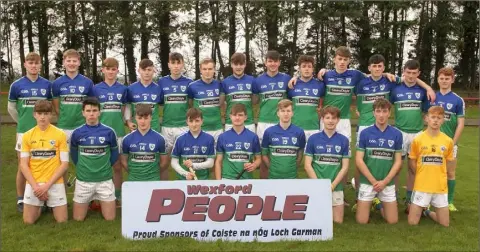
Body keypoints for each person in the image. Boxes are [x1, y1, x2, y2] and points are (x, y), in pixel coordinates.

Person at [8, 52, 52, 213]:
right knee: (23, 166)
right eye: (30, 63)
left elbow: (50, 107)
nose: (33, 66)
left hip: (44, 132)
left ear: (40, 65)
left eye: (36, 63)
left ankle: (45, 197)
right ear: (25, 65)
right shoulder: (17, 85)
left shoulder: (47, 85)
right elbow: (11, 108)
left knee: (45, 164)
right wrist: (22, 122)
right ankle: (21, 199)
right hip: (24, 132)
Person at [390, 59, 430, 213]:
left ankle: (410, 199)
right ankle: (392, 197)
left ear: (418, 74)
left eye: (414, 73)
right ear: (403, 72)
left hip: (417, 133)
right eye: (408, 72)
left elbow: (427, 113)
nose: (411, 76)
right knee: (396, 167)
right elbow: (386, 106)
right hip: (399, 132)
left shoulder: (422, 92)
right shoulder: (395, 89)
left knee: (414, 168)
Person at [19, 100, 69, 224]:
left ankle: (45, 202)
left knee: (62, 221)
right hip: (34, 183)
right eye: (39, 113)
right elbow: (23, 165)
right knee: (28, 222)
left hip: (54, 182)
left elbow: (65, 164)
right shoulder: (26, 136)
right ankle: (41, 205)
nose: (42, 117)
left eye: (46, 113)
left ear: (51, 115)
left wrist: (46, 186)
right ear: (34, 114)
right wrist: (36, 187)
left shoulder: (60, 134)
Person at [52, 49, 95, 190]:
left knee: (85, 160)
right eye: (68, 61)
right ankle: (61, 194)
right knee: (61, 162)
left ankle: (86, 193)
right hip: (63, 127)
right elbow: (57, 107)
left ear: (79, 63)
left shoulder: (87, 82)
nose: (71, 63)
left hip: (83, 127)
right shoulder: (57, 83)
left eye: (74, 61)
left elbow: (90, 106)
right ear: (64, 62)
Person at [70, 97, 119, 221]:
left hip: (105, 180)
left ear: (99, 112)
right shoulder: (77, 133)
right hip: (84, 181)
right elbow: (74, 155)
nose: (91, 113)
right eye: (88, 110)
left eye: (94, 110)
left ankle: (100, 201)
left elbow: (114, 154)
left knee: (110, 218)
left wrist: (106, 167)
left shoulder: (109, 132)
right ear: (83, 112)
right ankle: (90, 202)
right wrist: (82, 167)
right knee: (78, 219)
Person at [355, 98, 403, 224]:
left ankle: (379, 205)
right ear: (374, 113)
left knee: (392, 221)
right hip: (368, 181)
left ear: (389, 113)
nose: (381, 115)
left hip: (387, 182)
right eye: (378, 111)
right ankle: (370, 200)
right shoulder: (365, 133)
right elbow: (359, 160)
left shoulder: (397, 134)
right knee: (361, 221)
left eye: (384, 111)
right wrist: (373, 181)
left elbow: (398, 162)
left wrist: (385, 182)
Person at [408, 106, 454, 227]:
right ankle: (422, 208)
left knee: (445, 224)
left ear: (443, 120)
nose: (435, 120)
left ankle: (427, 212)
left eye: (439, 118)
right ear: (426, 119)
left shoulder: (448, 141)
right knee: (412, 223)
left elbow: (449, 163)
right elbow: (412, 160)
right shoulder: (418, 140)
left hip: (440, 187)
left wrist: (442, 175)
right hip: (422, 186)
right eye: (433, 117)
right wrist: (420, 174)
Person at [304, 106, 350, 223]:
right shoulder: (313, 139)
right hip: (317, 185)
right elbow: (307, 165)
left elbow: (345, 167)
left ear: (338, 120)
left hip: (336, 187)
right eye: (327, 118)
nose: (330, 121)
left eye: (333, 118)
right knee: (318, 221)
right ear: (322, 119)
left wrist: (332, 185)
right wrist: (319, 185)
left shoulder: (344, 140)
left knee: (337, 222)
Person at [428, 67, 465, 212]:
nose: (444, 81)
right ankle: (430, 200)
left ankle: (449, 201)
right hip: (432, 142)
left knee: (450, 173)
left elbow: (461, 123)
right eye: (442, 78)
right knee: (432, 171)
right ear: (438, 79)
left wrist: (453, 143)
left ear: (452, 80)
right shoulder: (432, 97)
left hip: (450, 142)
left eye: (447, 79)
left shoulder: (457, 100)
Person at [252, 50, 292, 178]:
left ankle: (282, 183)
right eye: (270, 61)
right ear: (265, 63)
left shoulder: (287, 79)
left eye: (275, 61)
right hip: (264, 121)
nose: (273, 64)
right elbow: (254, 100)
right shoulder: (258, 80)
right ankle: (264, 188)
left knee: (280, 154)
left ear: (279, 63)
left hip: (281, 122)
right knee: (264, 155)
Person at [93, 57, 127, 203]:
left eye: (114, 69)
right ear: (103, 70)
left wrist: (126, 122)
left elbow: (124, 109)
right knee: (100, 165)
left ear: (117, 71)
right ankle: (99, 196)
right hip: (100, 133)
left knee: (117, 165)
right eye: (108, 69)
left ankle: (117, 195)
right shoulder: (95, 88)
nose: (111, 72)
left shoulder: (123, 89)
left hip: (118, 132)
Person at [158, 52, 193, 161]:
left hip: (184, 126)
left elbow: (191, 105)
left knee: (186, 160)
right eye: (173, 63)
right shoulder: (161, 82)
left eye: (179, 63)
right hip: (166, 126)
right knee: (164, 161)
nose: (176, 66)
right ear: (169, 65)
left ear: (183, 64)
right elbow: (159, 103)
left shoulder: (189, 82)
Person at [121, 104, 168, 181]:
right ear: (135, 118)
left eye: (146, 118)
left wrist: (153, 173)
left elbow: (164, 162)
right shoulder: (127, 139)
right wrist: (135, 173)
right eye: (140, 118)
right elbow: (123, 161)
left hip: (153, 180)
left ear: (151, 118)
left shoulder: (160, 139)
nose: (143, 121)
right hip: (134, 180)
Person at [261, 99, 306, 179]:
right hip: (273, 177)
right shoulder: (269, 132)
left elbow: (300, 152)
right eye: (283, 111)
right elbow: (264, 154)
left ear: (292, 113)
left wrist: (295, 166)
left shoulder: (299, 132)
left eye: (288, 111)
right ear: (278, 113)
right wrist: (271, 167)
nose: (286, 114)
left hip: (292, 177)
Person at [215, 104, 261, 180]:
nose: (237, 118)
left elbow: (259, 159)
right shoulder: (223, 137)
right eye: (234, 115)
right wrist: (218, 182)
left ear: (245, 117)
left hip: (246, 179)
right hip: (227, 179)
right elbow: (218, 161)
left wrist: (254, 165)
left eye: (240, 115)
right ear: (230, 116)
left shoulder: (253, 137)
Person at [287, 55, 325, 141]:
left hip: (314, 128)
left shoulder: (320, 85)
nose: (306, 69)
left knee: (313, 154)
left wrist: (325, 70)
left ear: (313, 69)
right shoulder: (292, 85)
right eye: (304, 66)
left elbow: (324, 103)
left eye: (309, 66)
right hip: (295, 128)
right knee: (296, 154)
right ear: (299, 69)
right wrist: (295, 77)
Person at [187, 58, 224, 144]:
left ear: (214, 70)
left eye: (210, 69)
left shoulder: (219, 85)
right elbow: (190, 104)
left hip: (217, 128)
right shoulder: (192, 86)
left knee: (218, 155)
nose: (207, 71)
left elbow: (222, 103)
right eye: (205, 69)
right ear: (200, 70)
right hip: (200, 128)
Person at [171, 108, 215, 180]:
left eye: (197, 121)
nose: (194, 124)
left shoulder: (209, 139)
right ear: (187, 122)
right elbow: (174, 162)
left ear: (202, 121)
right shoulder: (180, 139)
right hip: (183, 180)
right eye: (191, 121)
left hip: (203, 180)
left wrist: (193, 165)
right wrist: (186, 174)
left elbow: (210, 163)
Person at [125, 59, 163, 133]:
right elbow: (127, 106)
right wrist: (128, 122)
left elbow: (165, 107)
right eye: (144, 70)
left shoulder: (158, 89)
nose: (146, 72)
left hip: (154, 129)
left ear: (153, 71)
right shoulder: (131, 88)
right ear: (139, 70)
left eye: (149, 70)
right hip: (136, 129)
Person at [222, 52, 256, 133]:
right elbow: (222, 103)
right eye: (235, 64)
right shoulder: (225, 82)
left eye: (241, 64)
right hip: (230, 123)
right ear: (231, 65)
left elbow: (255, 101)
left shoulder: (252, 80)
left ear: (245, 64)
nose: (238, 67)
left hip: (248, 122)